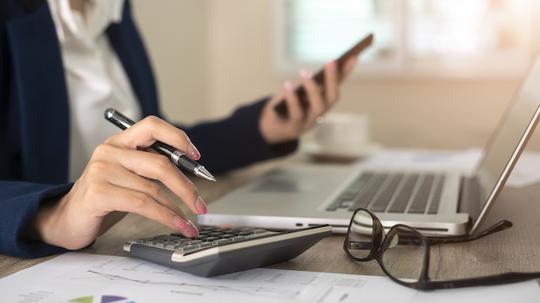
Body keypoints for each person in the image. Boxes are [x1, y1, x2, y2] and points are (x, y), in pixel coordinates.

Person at [0, 0, 357, 258]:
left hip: (122, 240)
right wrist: (52, 214)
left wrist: (265, 127)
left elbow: (158, 146)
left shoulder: (115, 13)